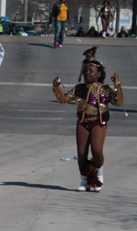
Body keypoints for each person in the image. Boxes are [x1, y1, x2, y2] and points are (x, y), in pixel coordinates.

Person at [52, 58, 122, 192]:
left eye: (91, 71)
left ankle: (99, 176)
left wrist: (117, 84)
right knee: (81, 153)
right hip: (83, 123)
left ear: (99, 74)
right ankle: (84, 180)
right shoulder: (79, 88)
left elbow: (118, 102)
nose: (87, 73)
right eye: (86, 71)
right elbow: (63, 99)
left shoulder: (105, 89)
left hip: (98, 122)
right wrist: (56, 88)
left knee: (97, 150)